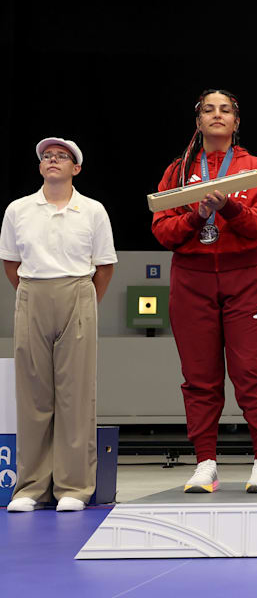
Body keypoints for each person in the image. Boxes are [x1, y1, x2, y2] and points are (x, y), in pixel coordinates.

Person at [151, 90, 257, 494]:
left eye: (225, 110)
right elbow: (162, 230)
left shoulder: (255, 169)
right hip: (193, 280)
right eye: (209, 109)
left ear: (236, 121)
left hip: (247, 279)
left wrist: (228, 208)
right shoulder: (177, 171)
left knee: (252, 372)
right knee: (199, 377)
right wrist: (196, 215)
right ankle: (206, 461)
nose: (217, 115)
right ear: (198, 121)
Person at [2, 138, 116, 512]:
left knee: (76, 395)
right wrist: (34, 295)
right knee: (33, 393)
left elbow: (104, 265)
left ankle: (74, 486)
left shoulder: (92, 210)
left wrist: (84, 302)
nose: (53, 161)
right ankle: (31, 487)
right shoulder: (18, 210)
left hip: (78, 291)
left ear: (75, 168)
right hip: (33, 291)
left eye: (61, 157)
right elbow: (11, 263)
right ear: (40, 167)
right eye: (46, 157)